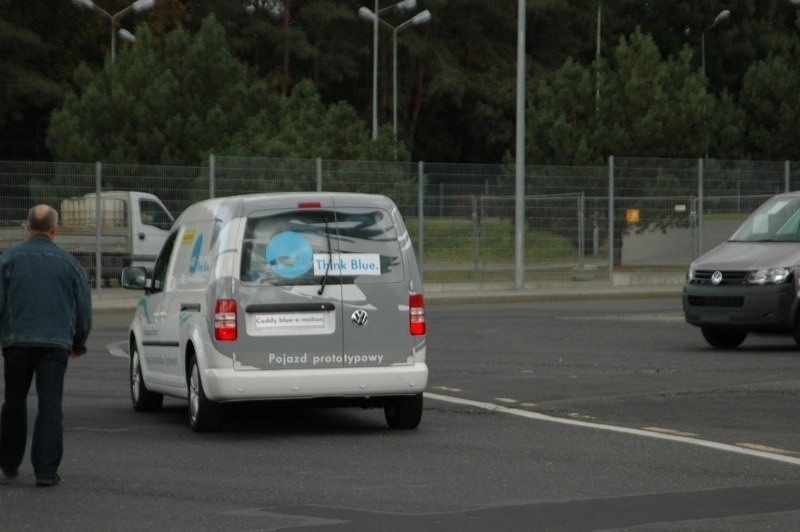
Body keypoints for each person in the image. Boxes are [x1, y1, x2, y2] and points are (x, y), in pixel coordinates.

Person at [0, 204, 92, 487]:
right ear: (55, 229)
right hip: (55, 344)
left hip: (16, 342)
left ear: (27, 227)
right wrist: (78, 341)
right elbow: (83, 307)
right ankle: (45, 471)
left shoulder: (9, 259)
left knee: (14, 401)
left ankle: (9, 462)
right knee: (50, 404)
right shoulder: (69, 263)